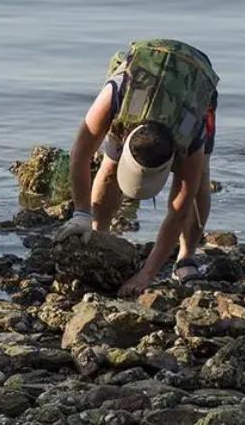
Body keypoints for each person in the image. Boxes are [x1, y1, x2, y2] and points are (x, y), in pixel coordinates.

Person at [55, 39, 219, 296]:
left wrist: (146, 275)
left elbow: (180, 208)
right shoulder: (118, 95)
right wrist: (81, 214)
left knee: (199, 182)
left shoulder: (191, 131)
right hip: (142, 79)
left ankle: (186, 258)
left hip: (194, 79)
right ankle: (100, 231)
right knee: (109, 163)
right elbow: (81, 152)